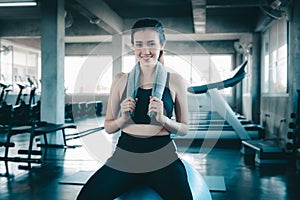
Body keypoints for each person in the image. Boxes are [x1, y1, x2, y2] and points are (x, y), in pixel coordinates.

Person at [77, 18, 193, 200]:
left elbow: (185, 128)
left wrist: (164, 119)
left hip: (163, 157)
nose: (145, 51)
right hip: (126, 156)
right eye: (139, 44)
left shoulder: (175, 81)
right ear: (132, 46)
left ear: (162, 44)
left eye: (151, 44)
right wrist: (122, 118)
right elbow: (109, 127)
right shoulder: (120, 80)